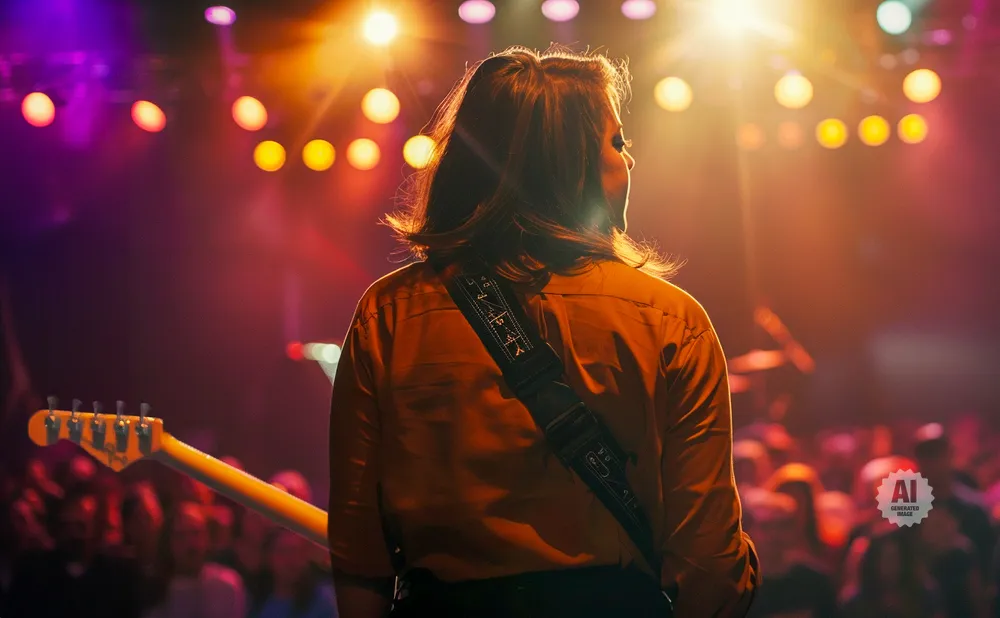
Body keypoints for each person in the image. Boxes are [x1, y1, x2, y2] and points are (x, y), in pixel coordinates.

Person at [327, 45, 759, 618]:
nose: (629, 162)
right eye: (617, 143)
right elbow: (710, 566)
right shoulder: (671, 323)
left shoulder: (389, 315)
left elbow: (360, 553)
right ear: (569, 162)